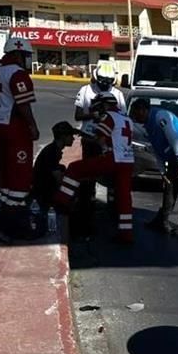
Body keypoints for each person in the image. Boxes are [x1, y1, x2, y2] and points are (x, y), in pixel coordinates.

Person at [55, 93, 135, 244]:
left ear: (104, 105)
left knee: (74, 169)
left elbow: (100, 140)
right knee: (124, 197)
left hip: (112, 158)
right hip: (128, 160)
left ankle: (62, 202)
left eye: (98, 106)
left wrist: (85, 136)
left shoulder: (108, 117)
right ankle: (126, 234)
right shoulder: (126, 119)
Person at [0, 37, 40, 234]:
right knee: (20, 171)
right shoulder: (17, 74)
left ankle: (6, 207)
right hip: (15, 126)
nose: (27, 60)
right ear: (17, 54)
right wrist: (32, 126)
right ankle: (16, 214)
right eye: (25, 56)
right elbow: (23, 104)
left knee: (4, 167)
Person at [129, 98, 178, 236]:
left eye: (136, 114)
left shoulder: (160, 116)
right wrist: (163, 172)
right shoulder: (148, 125)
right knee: (169, 188)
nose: (135, 118)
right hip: (173, 156)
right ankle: (162, 220)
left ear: (143, 110)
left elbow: (172, 136)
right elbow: (157, 149)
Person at [73, 62, 126, 236]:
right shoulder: (86, 91)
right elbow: (78, 115)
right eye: (102, 80)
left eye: (108, 81)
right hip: (90, 139)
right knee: (88, 178)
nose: (105, 84)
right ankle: (87, 210)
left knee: (112, 178)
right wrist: (93, 115)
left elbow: (123, 118)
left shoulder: (117, 94)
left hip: (110, 141)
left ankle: (112, 209)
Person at [31, 121, 79, 212]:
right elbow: (58, 178)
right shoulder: (52, 152)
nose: (73, 139)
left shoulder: (53, 149)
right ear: (63, 137)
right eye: (70, 136)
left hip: (42, 188)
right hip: (43, 192)